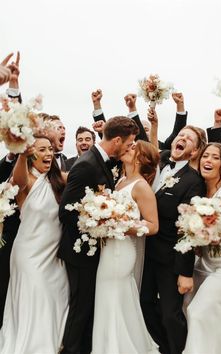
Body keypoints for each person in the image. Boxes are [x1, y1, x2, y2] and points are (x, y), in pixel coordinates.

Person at [58, 116, 139, 354]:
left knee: (89, 307)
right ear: (116, 140)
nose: (129, 147)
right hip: (80, 250)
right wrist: (100, 223)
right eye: (128, 143)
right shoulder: (86, 165)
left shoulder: (105, 161)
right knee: (80, 308)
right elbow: (66, 212)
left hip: (96, 249)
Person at [0, 136, 69, 353]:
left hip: (54, 255)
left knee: (55, 295)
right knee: (35, 296)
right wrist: (22, 152)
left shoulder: (60, 180)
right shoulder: (25, 181)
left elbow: (88, 175)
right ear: (32, 154)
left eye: (50, 149)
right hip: (29, 254)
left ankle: (52, 343)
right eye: (42, 150)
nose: (48, 153)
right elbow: (18, 179)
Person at [140, 125, 206, 354]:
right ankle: (165, 348)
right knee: (144, 305)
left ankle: (178, 349)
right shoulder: (159, 165)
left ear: (195, 152)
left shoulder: (193, 182)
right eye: (180, 135)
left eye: (189, 139)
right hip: (145, 255)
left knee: (171, 316)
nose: (182, 139)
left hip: (170, 260)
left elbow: (189, 230)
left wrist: (185, 273)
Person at [91, 140, 160, 354]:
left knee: (113, 294)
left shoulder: (141, 186)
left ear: (141, 159)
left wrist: (121, 225)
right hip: (110, 248)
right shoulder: (120, 180)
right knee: (108, 295)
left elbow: (153, 225)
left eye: (132, 148)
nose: (127, 149)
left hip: (123, 251)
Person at [183, 143, 221, 354]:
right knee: (192, 310)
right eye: (206, 156)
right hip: (202, 264)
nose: (208, 161)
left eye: (215, 157)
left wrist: (212, 236)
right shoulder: (200, 189)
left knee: (198, 313)